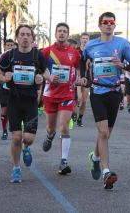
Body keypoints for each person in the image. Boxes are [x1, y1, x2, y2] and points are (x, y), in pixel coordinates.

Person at [82, 12, 130, 189]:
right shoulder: (91, 45)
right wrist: (85, 77)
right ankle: (106, 171)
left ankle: (95, 157)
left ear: (114, 25)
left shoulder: (122, 44)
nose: (108, 25)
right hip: (98, 91)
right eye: (105, 22)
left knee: (106, 134)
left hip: (114, 93)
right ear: (99, 26)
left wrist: (121, 65)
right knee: (104, 133)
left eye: (111, 22)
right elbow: (82, 62)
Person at [0, 25, 46, 183]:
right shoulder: (9, 56)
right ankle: (16, 168)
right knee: (16, 137)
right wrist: (4, 78)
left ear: (32, 38)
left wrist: (42, 79)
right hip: (14, 101)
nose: (25, 37)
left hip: (31, 101)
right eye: (22, 34)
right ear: (17, 38)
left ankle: (26, 148)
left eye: (28, 35)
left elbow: (44, 72)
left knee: (28, 138)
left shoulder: (37, 56)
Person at [41, 23, 83, 175]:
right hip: (50, 94)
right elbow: (41, 68)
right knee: (51, 127)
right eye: (60, 31)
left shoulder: (74, 53)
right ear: (55, 33)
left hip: (67, 94)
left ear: (68, 34)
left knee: (64, 126)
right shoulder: (47, 52)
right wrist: (49, 77)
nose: (62, 33)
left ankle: (63, 161)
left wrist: (78, 77)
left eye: (65, 31)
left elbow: (78, 68)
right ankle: (50, 135)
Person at [0, 39, 15, 140]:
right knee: (4, 110)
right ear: (4, 46)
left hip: (15, 86)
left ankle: (15, 129)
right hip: (3, 85)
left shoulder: (18, 57)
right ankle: (4, 130)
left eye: (11, 45)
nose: (9, 47)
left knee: (15, 109)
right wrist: (2, 74)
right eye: (8, 45)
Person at [76, 33, 90, 126]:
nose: (85, 40)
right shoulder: (76, 51)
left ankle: (80, 118)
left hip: (87, 76)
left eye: (87, 39)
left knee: (84, 101)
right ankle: (72, 114)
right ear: (80, 40)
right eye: (83, 38)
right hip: (77, 76)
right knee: (79, 98)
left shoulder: (91, 51)